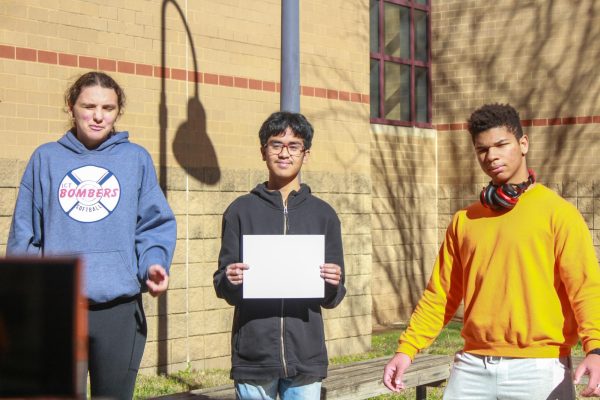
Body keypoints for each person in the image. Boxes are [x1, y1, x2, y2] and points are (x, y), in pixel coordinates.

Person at [382, 103, 600, 399]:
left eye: (501, 145)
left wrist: (595, 348)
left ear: (523, 144)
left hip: (540, 367)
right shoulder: (465, 220)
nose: (492, 156)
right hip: (471, 367)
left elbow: (585, 288)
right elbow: (440, 295)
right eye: (482, 149)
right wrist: (406, 349)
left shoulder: (559, 214)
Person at [7, 71, 177, 400]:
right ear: (71, 107)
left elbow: (153, 224)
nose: (98, 116)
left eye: (108, 108)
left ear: (118, 111)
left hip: (119, 310)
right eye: (89, 106)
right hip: (59, 309)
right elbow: (25, 234)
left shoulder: (135, 159)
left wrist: (153, 263)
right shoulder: (46, 159)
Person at [213, 111, 346, 399]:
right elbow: (222, 285)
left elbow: (333, 297)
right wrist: (230, 278)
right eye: (276, 144)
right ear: (263, 152)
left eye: (293, 146)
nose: (284, 153)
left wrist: (333, 282)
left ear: (305, 154)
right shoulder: (240, 211)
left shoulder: (324, 216)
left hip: (305, 357)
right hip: (254, 355)